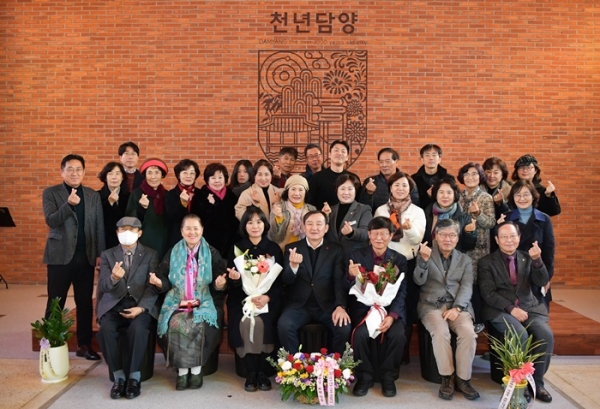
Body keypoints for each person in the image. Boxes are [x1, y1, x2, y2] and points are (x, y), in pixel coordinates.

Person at [150, 214, 230, 391]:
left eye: (196, 228)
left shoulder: (212, 252)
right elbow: (163, 278)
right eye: (188, 228)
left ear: (202, 230)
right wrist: (158, 283)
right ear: (181, 231)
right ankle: (181, 373)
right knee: (175, 322)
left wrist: (221, 284)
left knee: (197, 322)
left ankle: (195, 371)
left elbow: (220, 280)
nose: (192, 232)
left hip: (203, 300)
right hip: (177, 300)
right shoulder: (173, 252)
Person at [478, 222, 554, 403]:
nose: (509, 240)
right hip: (500, 309)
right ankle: (518, 382)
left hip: (529, 307)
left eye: (513, 236)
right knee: (519, 335)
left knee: (546, 335)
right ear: (496, 240)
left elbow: (542, 281)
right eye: (504, 237)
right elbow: (488, 293)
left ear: (519, 238)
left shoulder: (527, 258)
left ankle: (537, 383)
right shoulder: (486, 262)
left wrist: (537, 261)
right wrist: (511, 309)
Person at [42, 154, 105, 361]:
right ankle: (51, 343)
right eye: (70, 169)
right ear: (62, 171)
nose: (75, 173)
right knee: (55, 301)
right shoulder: (51, 193)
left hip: (85, 257)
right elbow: (51, 220)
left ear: (84, 172)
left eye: (79, 169)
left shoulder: (92, 195)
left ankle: (84, 344)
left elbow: (98, 227)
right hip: (59, 257)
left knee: (85, 302)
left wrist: (99, 254)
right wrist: (68, 205)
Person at [413, 219, 479, 401]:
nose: (447, 239)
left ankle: (463, 379)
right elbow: (418, 281)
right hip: (431, 305)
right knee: (441, 333)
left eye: (452, 235)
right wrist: (423, 262)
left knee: (468, 333)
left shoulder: (465, 259)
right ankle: (447, 378)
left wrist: (457, 308)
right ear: (436, 237)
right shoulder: (426, 253)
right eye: (442, 235)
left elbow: (467, 287)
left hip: (458, 305)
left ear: (458, 238)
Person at [96, 217, 160, 400]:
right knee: (106, 329)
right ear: (117, 233)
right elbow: (104, 287)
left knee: (138, 329)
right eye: (123, 230)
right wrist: (114, 279)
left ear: (139, 233)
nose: (127, 234)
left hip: (138, 305)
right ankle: (118, 377)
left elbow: (152, 287)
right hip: (114, 304)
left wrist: (141, 308)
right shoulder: (108, 255)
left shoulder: (150, 254)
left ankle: (134, 378)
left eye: (132, 230)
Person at [347, 217, 408, 398]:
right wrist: (351, 276)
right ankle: (364, 377)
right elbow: (345, 286)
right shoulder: (356, 256)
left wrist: (392, 316)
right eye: (375, 234)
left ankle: (388, 377)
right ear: (369, 235)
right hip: (364, 308)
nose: (379, 238)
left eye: (383, 234)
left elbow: (402, 292)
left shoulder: (399, 259)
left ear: (391, 236)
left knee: (398, 335)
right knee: (359, 336)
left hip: (389, 309)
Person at [277, 210, 351, 354]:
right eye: (310, 224)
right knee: (284, 326)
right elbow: (285, 281)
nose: (314, 228)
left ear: (326, 228)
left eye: (319, 224)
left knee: (344, 327)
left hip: (327, 305)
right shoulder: (292, 249)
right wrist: (293, 266)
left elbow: (338, 281)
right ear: (303, 227)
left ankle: (336, 367)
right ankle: (292, 368)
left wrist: (340, 306)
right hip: (299, 305)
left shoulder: (335, 249)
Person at [226, 206, 283, 392]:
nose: (255, 226)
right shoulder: (237, 249)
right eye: (250, 222)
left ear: (264, 224)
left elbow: (280, 283)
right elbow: (231, 283)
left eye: (259, 221)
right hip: (242, 299)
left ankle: (263, 372)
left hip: (268, 299)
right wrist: (234, 280)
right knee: (245, 323)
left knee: (264, 322)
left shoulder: (273, 249)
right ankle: (251, 371)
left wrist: (267, 297)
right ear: (244, 225)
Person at [374, 171, 425, 363]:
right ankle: (382, 348)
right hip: (385, 262)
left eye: (404, 185)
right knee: (383, 303)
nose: (400, 189)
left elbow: (417, 239)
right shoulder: (381, 210)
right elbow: (376, 237)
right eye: (396, 185)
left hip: (408, 263)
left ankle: (402, 353)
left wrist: (409, 227)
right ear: (390, 188)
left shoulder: (417, 211)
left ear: (410, 188)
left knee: (406, 306)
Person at [501, 180, 555, 308]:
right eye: (517, 195)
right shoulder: (505, 218)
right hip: (511, 274)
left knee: (537, 316)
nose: (522, 198)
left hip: (536, 273)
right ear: (512, 198)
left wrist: (547, 277)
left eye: (526, 194)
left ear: (533, 196)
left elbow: (549, 251)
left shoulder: (544, 219)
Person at [457, 162, 496, 334]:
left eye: (474, 174)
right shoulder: (459, 196)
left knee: (475, 284)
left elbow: (491, 223)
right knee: (463, 282)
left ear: (480, 176)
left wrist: (478, 214)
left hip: (479, 248)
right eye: (466, 174)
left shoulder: (485, 197)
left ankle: (479, 320)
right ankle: (465, 315)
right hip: (461, 245)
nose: (470, 177)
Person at [126, 158, 169, 260]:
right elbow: (130, 220)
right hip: (143, 242)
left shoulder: (166, 195)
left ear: (162, 175)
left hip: (164, 242)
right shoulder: (136, 194)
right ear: (145, 175)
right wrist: (141, 209)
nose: (153, 177)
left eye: (157, 173)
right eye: (149, 173)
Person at [196, 163, 240, 258]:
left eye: (220, 177)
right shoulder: (200, 196)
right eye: (213, 178)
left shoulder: (231, 196)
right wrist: (213, 206)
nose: (217, 181)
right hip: (208, 245)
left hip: (230, 245)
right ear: (207, 180)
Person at [423, 177, 477, 253]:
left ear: (455, 195)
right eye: (441, 192)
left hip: (454, 261)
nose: (445, 196)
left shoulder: (463, 217)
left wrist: (468, 233)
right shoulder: (427, 213)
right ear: (436, 194)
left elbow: (469, 246)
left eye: (449, 192)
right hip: (430, 259)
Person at [323, 173, 372, 257]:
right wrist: (324, 216)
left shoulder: (364, 209)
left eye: (350, 189)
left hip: (355, 256)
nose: (346, 192)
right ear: (337, 190)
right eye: (342, 189)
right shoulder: (330, 210)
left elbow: (367, 232)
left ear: (355, 191)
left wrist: (352, 232)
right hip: (331, 256)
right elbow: (323, 233)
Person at [359, 148, 420, 212]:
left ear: (396, 162)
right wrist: (368, 194)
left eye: (387, 161)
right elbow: (363, 209)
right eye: (381, 162)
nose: (384, 165)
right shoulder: (371, 182)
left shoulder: (407, 181)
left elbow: (416, 206)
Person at [268, 175, 316, 252]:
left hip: (306, 252)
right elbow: (272, 236)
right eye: (293, 189)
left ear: (305, 192)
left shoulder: (311, 209)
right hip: (282, 252)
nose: (297, 193)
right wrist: (279, 219)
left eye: (301, 190)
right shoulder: (279, 207)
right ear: (287, 191)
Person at [308, 140, 360, 209]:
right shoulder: (317, 178)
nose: (339, 153)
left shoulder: (353, 178)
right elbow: (310, 204)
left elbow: (358, 203)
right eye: (336, 150)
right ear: (329, 154)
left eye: (343, 151)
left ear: (347, 157)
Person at [165, 159, 201, 249]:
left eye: (192, 173)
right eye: (185, 173)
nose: (188, 176)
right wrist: (183, 204)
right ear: (178, 175)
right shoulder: (170, 194)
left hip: (197, 238)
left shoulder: (201, 194)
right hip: (177, 238)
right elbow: (171, 216)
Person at [411, 144, 455, 210]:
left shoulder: (449, 178)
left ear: (439, 159)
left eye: (434, 155)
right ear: (422, 159)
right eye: (427, 155)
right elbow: (413, 202)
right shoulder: (414, 179)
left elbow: (454, 199)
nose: (431, 158)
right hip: (421, 215)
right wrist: (427, 196)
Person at [483, 157, 513, 252]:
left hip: (501, 238)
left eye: (496, 172)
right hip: (481, 237)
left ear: (502, 174)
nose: (491, 175)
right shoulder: (477, 190)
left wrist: (500, 204)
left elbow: (510, 215)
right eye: (488, 171)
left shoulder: (510, 191)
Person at [97, 162, 129, 249]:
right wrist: (109, 203)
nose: (114, 177)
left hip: (124, 243)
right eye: (110, 174)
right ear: (105, 178)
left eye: (117, 173)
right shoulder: (96, 196)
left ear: (122, 177)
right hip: (103, 242)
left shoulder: (129, 197)